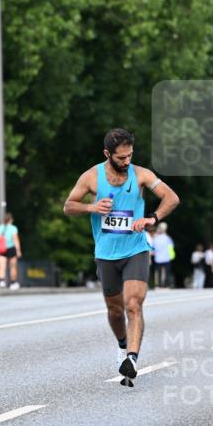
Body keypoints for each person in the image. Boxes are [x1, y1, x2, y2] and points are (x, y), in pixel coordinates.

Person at [63, 127, 180, 386]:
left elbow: (171, 198)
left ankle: (132, 359)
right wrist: (92, 207)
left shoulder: (141, 175)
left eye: (130, 156)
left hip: (135, 250)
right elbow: (69, 206)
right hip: (105, 254)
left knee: (133, 305)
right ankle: (122, 344)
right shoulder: (92, 177)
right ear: (107, 154)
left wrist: (152, 218)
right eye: (121, 158)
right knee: (115, 312)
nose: (127, 162)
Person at [0, 213, 22, 289]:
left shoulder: (0, 228)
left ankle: (1, 282)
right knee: (13, 267)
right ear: (11, 220)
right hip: (11, 248)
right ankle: (13, 283)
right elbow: (15, 239)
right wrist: (18, 250)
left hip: (2, 248)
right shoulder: (13, 228)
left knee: (2, 266)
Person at [152, 222, 174, 288]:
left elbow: (153, 247)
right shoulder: (167, 238)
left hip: (158, 258)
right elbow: (171, 246)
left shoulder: (155, 238)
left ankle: (159, 285)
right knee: (167, 272)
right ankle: (167, 284)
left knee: (159, 272)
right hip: (166, 257)